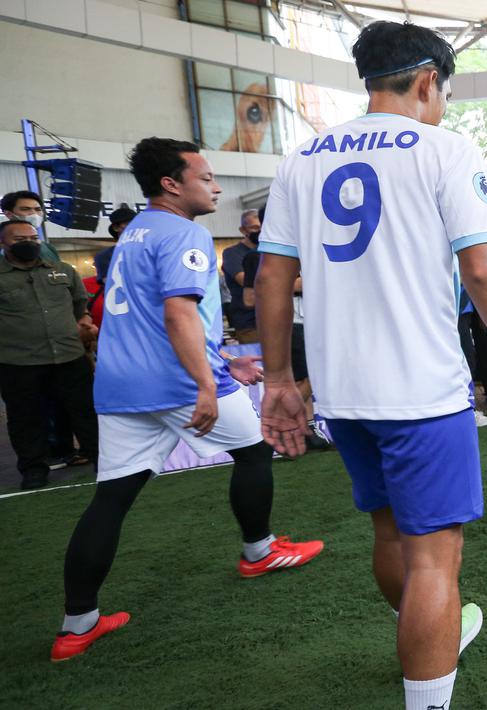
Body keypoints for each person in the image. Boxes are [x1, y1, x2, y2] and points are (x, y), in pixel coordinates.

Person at [256, 22, 487, 710]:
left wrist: (278, 381)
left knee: (389, 532)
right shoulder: (443, 149)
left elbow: (272, 278)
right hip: (421, 390)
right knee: (434, 559)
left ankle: (424, 635)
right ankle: (428, 680)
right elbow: (483, 272)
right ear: (427, 81)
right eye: (443, 91)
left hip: (342, 393)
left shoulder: (302, 157)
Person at [51, 137, 324, 664]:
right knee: (252, 451)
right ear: (171, 184)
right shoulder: (184, 234)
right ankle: (259, 552)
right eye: (206, 177)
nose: (217, 186)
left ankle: (77, 625)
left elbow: (155, 319)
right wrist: (206, 383)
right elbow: (177, 316)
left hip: (120, 386)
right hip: (178, 384)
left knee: (111, 500)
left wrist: (222, 362)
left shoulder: (135, 233)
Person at [0, 220, 99, 490]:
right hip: (19, 362)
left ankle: (101, 458)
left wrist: (85, 322)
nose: (29, 243)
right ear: (3, 243)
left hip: (69, 355)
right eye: (20, 240)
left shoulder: (63, 270)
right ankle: (34, 469)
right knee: (26, 418)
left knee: (85, 410)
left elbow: (81, 305)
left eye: (33, 238)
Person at [240, 208, 333, 449]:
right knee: (309, 377)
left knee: (308, 376)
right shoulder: (257, 256)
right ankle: (278, 426)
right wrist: (303, 282)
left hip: (314, 320)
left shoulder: (309, 247)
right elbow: (250, 298)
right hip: (288, 323)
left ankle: (309, 432)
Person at [220, 210, 261, 342]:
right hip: (249, 322)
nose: (260, 231)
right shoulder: (232, 253)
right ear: (243, 230)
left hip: (275, 318)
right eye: (254, 227)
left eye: (262, 227)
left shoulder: (268, 252)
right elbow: (244, 280)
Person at [2, 189, 61, 261]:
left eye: (38, 209)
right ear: (9, 214)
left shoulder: (48, 248)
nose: (34, 213)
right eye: (25, 209)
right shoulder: (3, 246)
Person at [92, 204, 138, 293]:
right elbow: (112, 285)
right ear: (116, 228)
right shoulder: (105, 255)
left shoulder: (147, 250)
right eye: (128, 224)